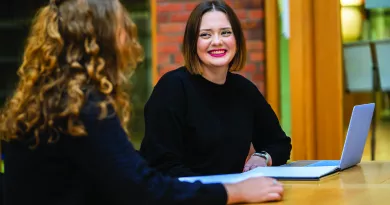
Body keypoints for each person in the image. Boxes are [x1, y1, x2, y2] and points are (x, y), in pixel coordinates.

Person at [0, 0, 284, 204]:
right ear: (100, 40)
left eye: (225, 32)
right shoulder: (81, 107)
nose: (129, 39)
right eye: (123, 29)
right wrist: (233, 192)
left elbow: (125, 178)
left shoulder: (51, 100)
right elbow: (143, 187)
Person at [139, 0, 292, 177]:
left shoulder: (244, 90)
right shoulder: (172, 88)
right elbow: (162, 166)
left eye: (225, 32)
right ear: (192, 42)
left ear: (237, 40)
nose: (217, 41)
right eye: (205, 35)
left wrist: (263, 157)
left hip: (231, 197)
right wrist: (223, 193)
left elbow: (279, 144)